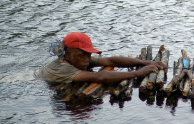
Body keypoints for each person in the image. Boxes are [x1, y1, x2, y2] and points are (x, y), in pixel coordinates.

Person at [35, 32, 166, 84]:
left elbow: (111, 60)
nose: (86, 59)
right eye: (82, 55)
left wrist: (145, 62)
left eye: (89, 54)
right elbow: (100, 76)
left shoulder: (78, 59)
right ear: (67, 54)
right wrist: (137, 73)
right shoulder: (64, 68)